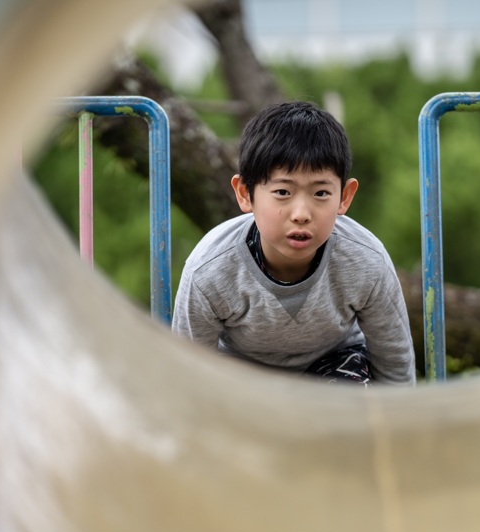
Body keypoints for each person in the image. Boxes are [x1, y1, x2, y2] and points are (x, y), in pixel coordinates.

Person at [172, 100, 416, 386]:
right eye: (283, 192)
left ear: (345, 196)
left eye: (321, 193)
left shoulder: (366, 261)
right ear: (245, 194)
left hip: (335, 370)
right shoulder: (209, 270)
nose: (301, 214)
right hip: (243, 379)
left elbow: (395, 368)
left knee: (349, 404)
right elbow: (188, 372)